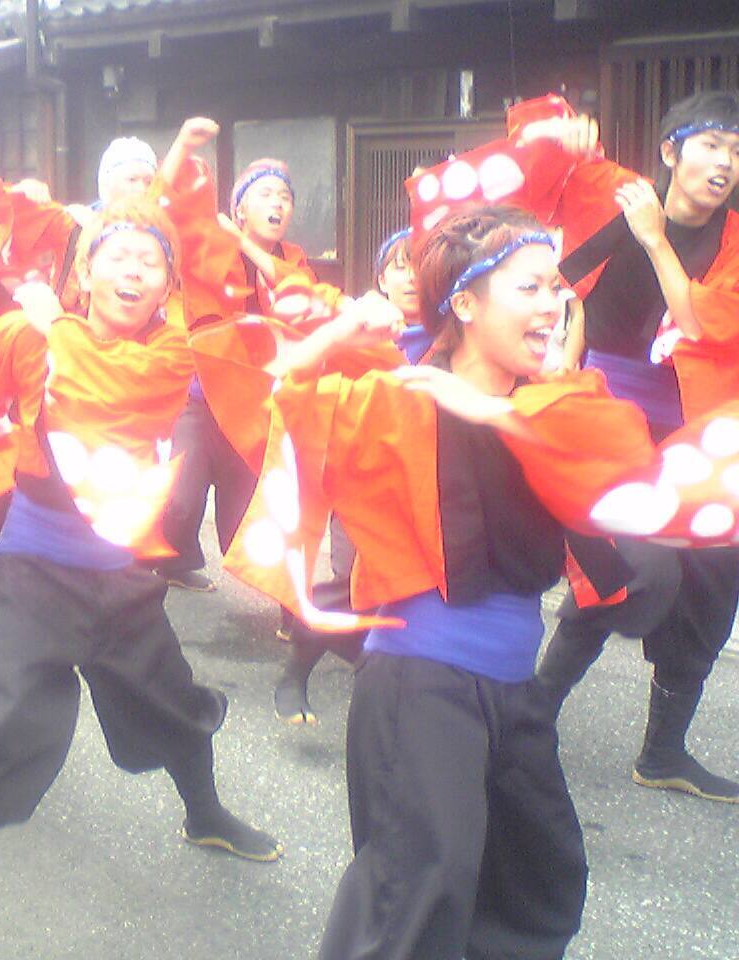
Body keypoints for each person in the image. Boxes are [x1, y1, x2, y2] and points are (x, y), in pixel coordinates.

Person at [230, 204, 666, 960]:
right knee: (416, 899)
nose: (553, 304)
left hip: (513, 689)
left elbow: (619, 465)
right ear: (464, 304)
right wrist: (336, 334)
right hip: (421, 684)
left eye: (556, 288)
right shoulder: (400, 397)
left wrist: (498, 416)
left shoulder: (552, 401)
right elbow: (271, 406)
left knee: (538, 884)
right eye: (529, 287)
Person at [0, 187, 281, 960]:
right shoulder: (34, 337)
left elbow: (128, 380)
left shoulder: (170, 355)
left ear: (168, 286)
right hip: (34, 573)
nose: (133, 272)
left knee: (173, 706)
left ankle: (205, 815)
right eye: (117, 256)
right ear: (84, 274)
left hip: (124, 579)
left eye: (151, 262)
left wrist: (51, 326)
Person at [521, 90, 739, 802]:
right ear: (672, 150)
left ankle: (663, 752)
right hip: (609, 420)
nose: (726, 163)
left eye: (737, 152)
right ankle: (532, 714)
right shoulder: (616, 196)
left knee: (713, 584)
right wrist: (555, 136)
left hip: (700, 436)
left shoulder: (733, 240)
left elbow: (704, 325)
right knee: (626, 570)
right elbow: (532, 184)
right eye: (714, 144)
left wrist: (654, 240)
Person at [272, 227, 422, 725]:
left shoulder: (455, 335)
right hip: (361, 483)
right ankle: (296, 672)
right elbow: (291, 369)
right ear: (381, 278)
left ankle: (378, 669)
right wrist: (346, 324)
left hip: (425, 488)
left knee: (402, 591)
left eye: (423, 267)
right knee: (352, 586)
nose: (412, 277)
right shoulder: (357, 325)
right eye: (400, 266)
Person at [157, 156, 316, 593]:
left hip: (257, 406)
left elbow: (301, 294)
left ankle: (291, 607)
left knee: (249, 520)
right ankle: (171, 562)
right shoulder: (214, 246)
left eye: (285, 197)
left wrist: (246, 244)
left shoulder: (293, 258)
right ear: (240, 208)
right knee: (179, 499)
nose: (278, 203)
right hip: (202, 394)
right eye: (266, 194)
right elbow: (174, 223)